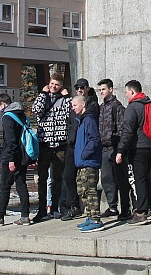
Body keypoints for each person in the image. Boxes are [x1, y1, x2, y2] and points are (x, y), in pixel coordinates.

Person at [0, 93, 31, 227]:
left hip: (11, 157)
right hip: (22, 155)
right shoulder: (21, 114)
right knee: (21, 186)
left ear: (3, 104)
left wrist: (10, 160)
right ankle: (25, 216)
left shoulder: (7, 117)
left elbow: (11, 140)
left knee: (5, 187)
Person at [115, 79, 151, 225]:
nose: (126, 95)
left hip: (138, 147)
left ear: (132, 91)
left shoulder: (132, 107)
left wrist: (120, 150)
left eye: (126, 92)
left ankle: (141, 212)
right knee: (144, 178)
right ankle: (148, 209)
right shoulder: (149, 104)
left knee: (139, 179)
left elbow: (127, 131)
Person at [31, 73, 71, 222]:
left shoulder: (64, 100)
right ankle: (42, 209)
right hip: (45, 144)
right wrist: (43, 94)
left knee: (58, 178)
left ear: (61, 86)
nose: (54, 87)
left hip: (60, 144)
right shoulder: (43, 97)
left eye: (57, 85)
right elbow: (36, 109)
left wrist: (67, 97)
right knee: (42, 178)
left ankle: (55, 207)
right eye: (52, 84)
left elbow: (70, 113)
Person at [61, 78, 98, 221]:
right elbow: (71, 124)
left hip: (84, 150)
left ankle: (93, 218)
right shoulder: (76, 110)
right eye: (77, 88)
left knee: (88, 186)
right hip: (73, 145)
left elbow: (94, 138)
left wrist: (84, 153)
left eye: (82, 88)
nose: (79, 90)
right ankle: (77, 208)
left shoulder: (90, 109)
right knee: (71, 178)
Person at [97, 78, 131, 218]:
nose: (101, 92)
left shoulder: (117, 107)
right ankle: (112, 207)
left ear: (111, 89)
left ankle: (126, 209)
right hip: (104, 148)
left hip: (116, 148)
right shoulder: (101, 108)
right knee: (106, 179)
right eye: (100, 90)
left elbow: (123, 130)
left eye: (103, 89)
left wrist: (120, 150)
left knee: (121, 179)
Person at [71, 95, 105, 232]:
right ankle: (90, 216)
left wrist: (84, 154)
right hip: (82, 163)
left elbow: (94, 140)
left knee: (89, 190)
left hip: (89, 162)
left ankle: (96, 219)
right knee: (82, 190)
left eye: (75, 105)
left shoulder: (89, 120)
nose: (73, 108)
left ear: (83, 104)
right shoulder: (82, 120)